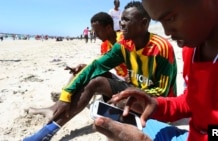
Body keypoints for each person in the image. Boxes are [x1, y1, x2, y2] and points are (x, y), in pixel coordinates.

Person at [93, 0, 218, 141]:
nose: (167, 32)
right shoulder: (192, 46)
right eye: (160, 22)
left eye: (169, 18)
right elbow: (193, 102)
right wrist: (157, 105)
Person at [23, 1, 177, 140]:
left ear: (144, 23)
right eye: (121, 19)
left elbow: (162, 94)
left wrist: (128, 95)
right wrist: (66, 95)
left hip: (156, 105)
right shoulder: (124, 45)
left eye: (127, 20)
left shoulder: (161, 48)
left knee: (108, 92)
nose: (121, 24)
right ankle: (47, 131)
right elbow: (96, 66)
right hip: (133, 92)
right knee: (96, 78)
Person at [26, 12, 128, 119]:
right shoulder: (104, 45)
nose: (95, 35)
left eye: (97, 31)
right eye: (94, 32)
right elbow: (103, 65)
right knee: (81, 71)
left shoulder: (123, 39)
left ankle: (58, 106)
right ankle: (58, 103)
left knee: (89, 77)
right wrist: (84, 66)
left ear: (108, 28)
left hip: (129, 82)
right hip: (119, 78)